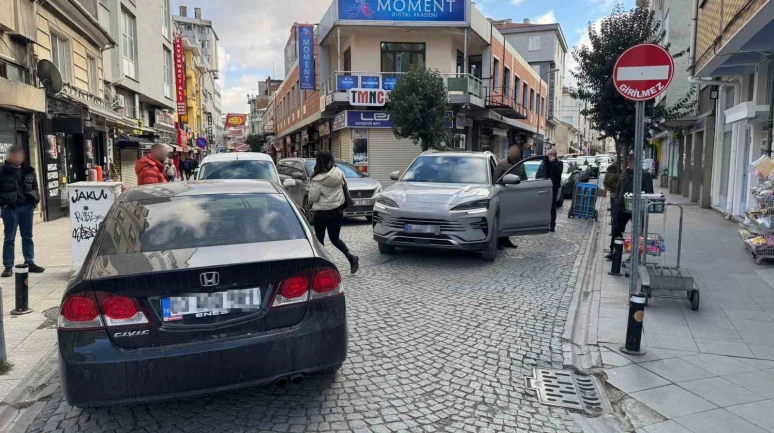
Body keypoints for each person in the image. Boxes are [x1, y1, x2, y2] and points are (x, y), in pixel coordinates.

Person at [308, 151, 359, 274]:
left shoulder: (317, 179)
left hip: (321, 214)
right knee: (335, 238)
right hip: (337, 212)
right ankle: (351, 257)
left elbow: (312, 198)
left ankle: (323, 266)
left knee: (319, 240)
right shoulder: (339, 173)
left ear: (318, 162)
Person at [0, 145, 44, 277]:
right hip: (11, 208)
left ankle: (30, 262)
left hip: (27, 208)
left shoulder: (29, 171)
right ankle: (8, 266)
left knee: (27, 237)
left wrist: (34, 200)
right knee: (9, 238)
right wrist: (4, 204)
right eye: (15, 155)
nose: (17, 157)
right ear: (10, 156)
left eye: (20, 155)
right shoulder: (2, 171)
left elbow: (35, 187)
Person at [606, 153, 655, 260]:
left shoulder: (644, 175)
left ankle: (635, 255)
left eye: (632, 162)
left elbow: (649, 192)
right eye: (629, 162)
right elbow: (619, 188)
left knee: (637, 232)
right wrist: (617, 200)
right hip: (622, 207)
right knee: (617, 230)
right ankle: (614, 251)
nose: (630, 164)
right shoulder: (624, 173)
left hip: (637, 209)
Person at [494, 144, 527, 249]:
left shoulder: (521, 165)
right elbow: (495, 180)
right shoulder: (502, 164)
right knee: (502, 218)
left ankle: (506, 239)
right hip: (504, 195)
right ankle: (499, 241)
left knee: (511, 219)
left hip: (516, 195)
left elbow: (524, 179)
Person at [547, 149, 563, 232]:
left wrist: (553, 162)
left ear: (556, 155)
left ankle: (552, 224)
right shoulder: (545, 162)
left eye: (553, 154)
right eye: (550, 154)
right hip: (544, 187)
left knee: (552, 206)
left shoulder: (559, 163)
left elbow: (558, 173)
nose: (551, 156)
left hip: (553, 188)